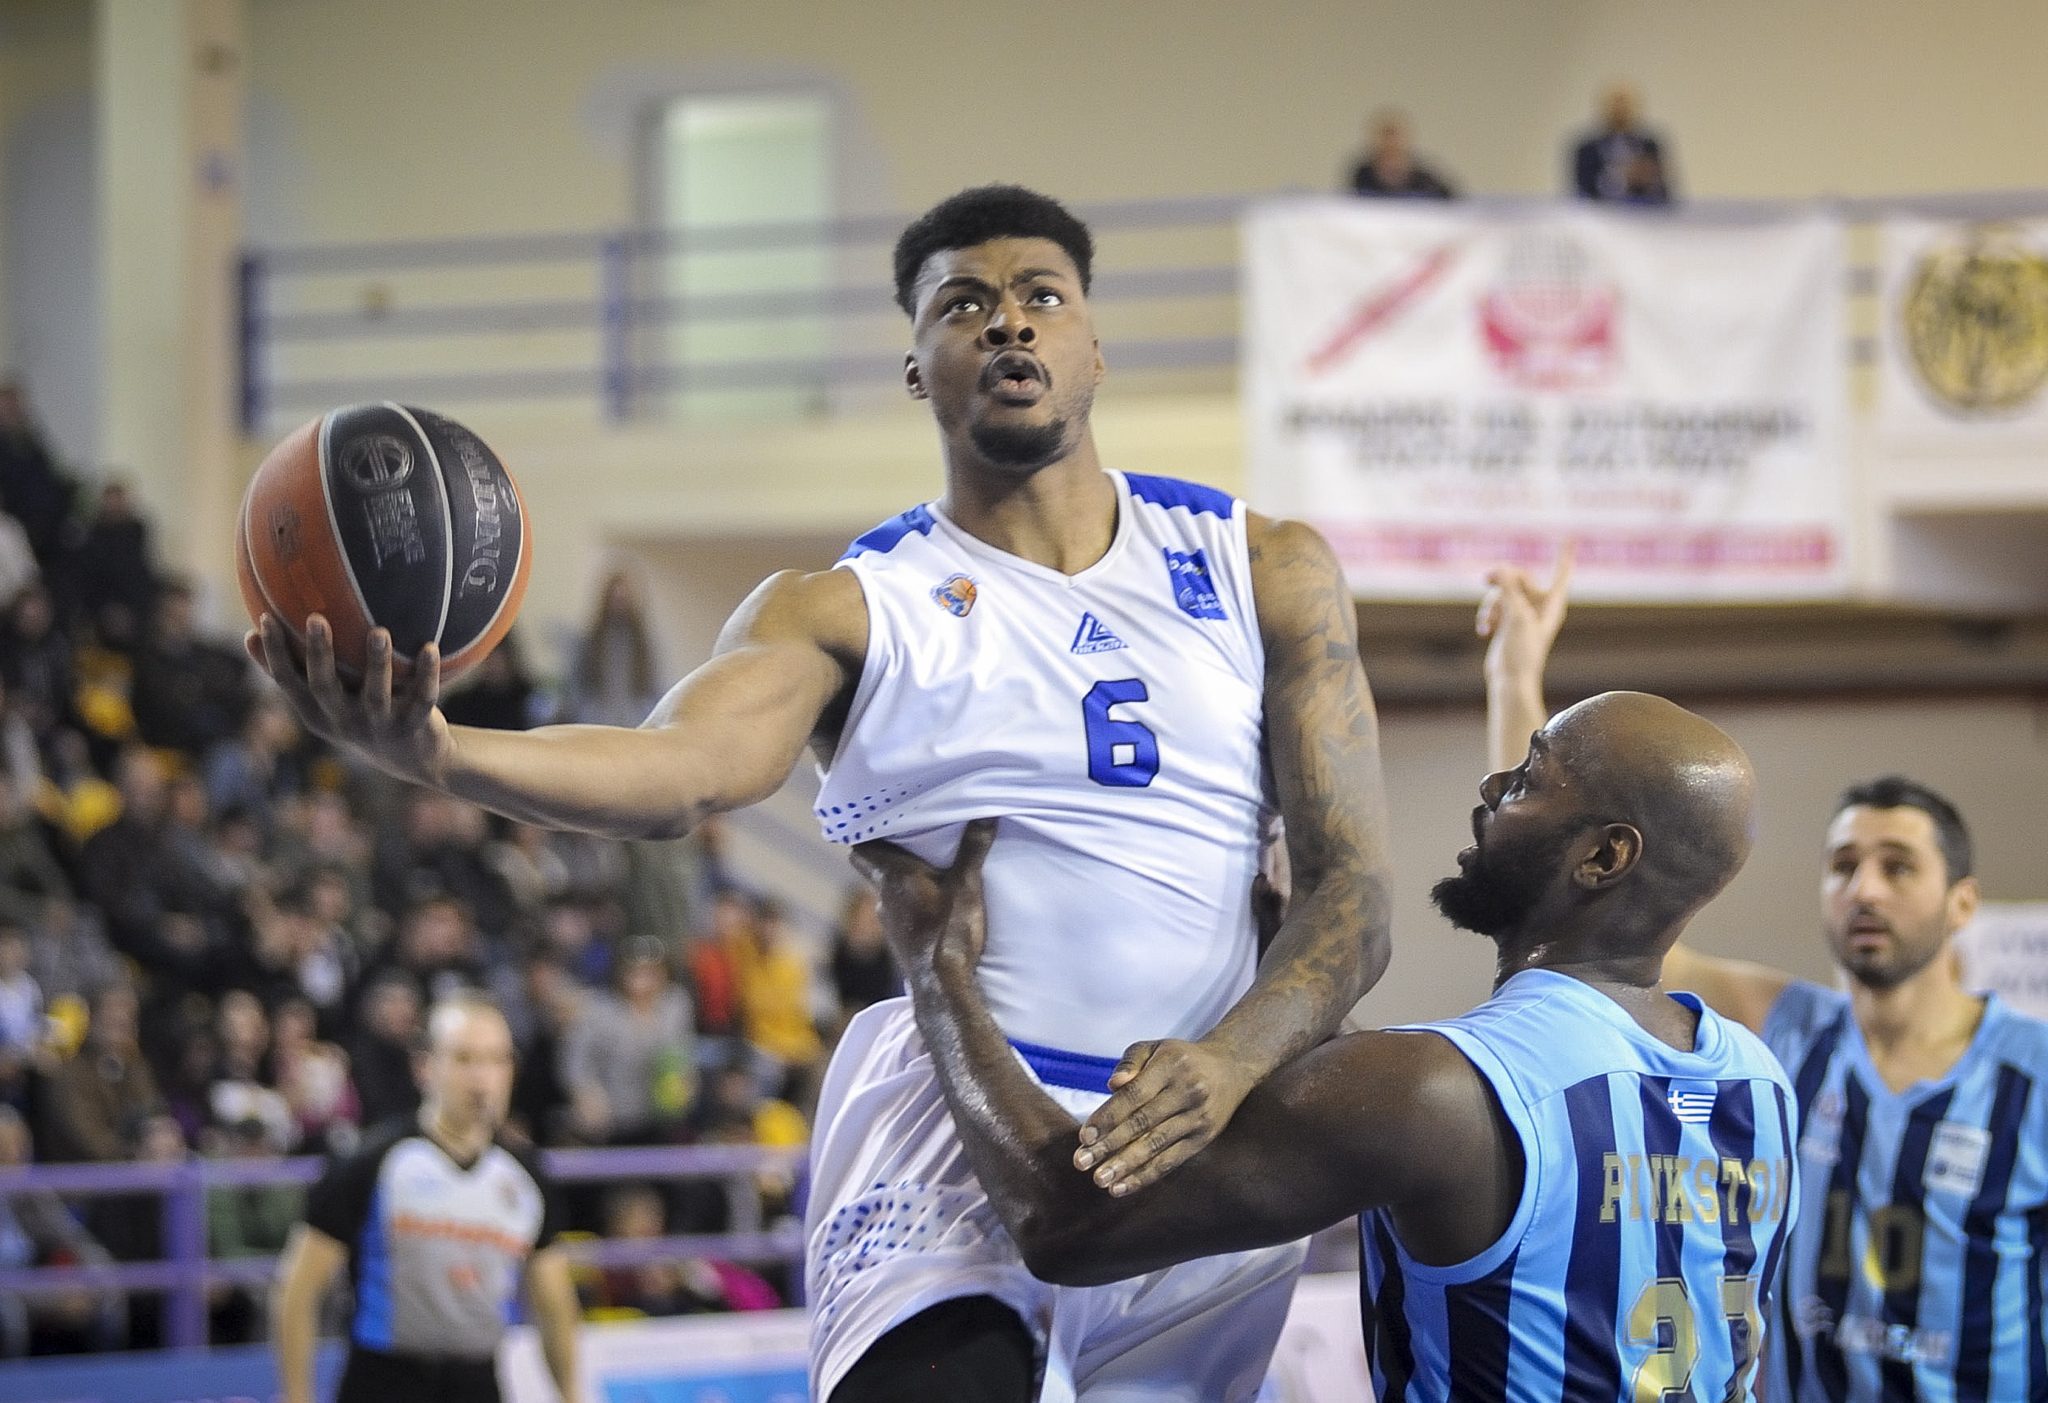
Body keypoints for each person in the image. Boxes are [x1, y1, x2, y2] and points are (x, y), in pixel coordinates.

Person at [251, 182, 1394, 1402]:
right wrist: (443, 753)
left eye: (1039, 297)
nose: (1007, 323)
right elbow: (678, 772)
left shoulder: (1261, 563)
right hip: (945, 1121)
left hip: (1199, 1116)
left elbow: (1355, 894)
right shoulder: (849, 605)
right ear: (918, 368)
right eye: (963, 305)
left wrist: (1229, 1062)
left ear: (1093, 344)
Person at [854, 688, 1798, 1401]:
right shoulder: (1759, 1084)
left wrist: (941, 978)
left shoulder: (1430, 1090)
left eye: (1528, 778)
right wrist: (1284, 973)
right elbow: (1463, 1135)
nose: (1489, 789)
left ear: (1603, 857)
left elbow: (1064, 1223)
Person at [1480, 557, 2048, 1403]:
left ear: (1962, 901)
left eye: (1899, 866)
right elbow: (1576, 891)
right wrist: (1514, 675)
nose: (1866, 888)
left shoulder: (2032, 1072)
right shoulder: (1783, 1028)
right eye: (1845, 864)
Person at [271, 993, 578, 1403]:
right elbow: (298, 1289)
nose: (481, 1077)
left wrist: (573, 1394)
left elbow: (554, 1304)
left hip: (479, 1381)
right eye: (464, 1059)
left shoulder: (526, 1175)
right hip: (384, 1380)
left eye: (495, 1060)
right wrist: (296, 1395)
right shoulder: (374, 1161)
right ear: (425, 1066)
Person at [1570, 83, 1674, 205]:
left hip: (1642, 218)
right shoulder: (1587, 149)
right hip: (1600, 218)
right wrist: (1619, 178)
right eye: (1616, 104)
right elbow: (1582, 191)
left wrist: (1649, 181)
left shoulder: (1650, 146)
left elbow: (1665, 193)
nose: (1621, 109)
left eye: (1625, 104)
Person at [1348, 108, 1456, 199]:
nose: (1390, 143)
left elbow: (1449, 199)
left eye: (1394, 137)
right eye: (1386, 137)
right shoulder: (1363, 175)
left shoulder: (1424, 178)